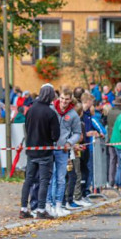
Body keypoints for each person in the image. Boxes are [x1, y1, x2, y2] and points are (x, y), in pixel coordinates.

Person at [19, 84, 59, 219]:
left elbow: (26, 128)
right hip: (45, 152)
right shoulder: (50, 113)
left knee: (28, 180)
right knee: (43, 181)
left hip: (31, 151)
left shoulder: (30, 110)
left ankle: (23, 208)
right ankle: (41, 209)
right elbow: (55, 136)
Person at [45, 88, 81, 218]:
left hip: (63, 149)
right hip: (49, 148)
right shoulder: (51, 109)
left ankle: (59, 205)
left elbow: (77, 133)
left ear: (70, 99)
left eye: (66, 99)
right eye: (62, 99)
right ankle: (48, 204)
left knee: (60, 178)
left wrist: (70, 143)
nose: (63, 102)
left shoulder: (73, 115)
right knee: (49, 177)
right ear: (58, 98)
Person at [105, 97, 121, 188]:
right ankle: (118, 181)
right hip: (118, 140)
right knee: (120, 161)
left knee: (112, 160)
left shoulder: (110, 112)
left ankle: (111, 181)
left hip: (110, 139)